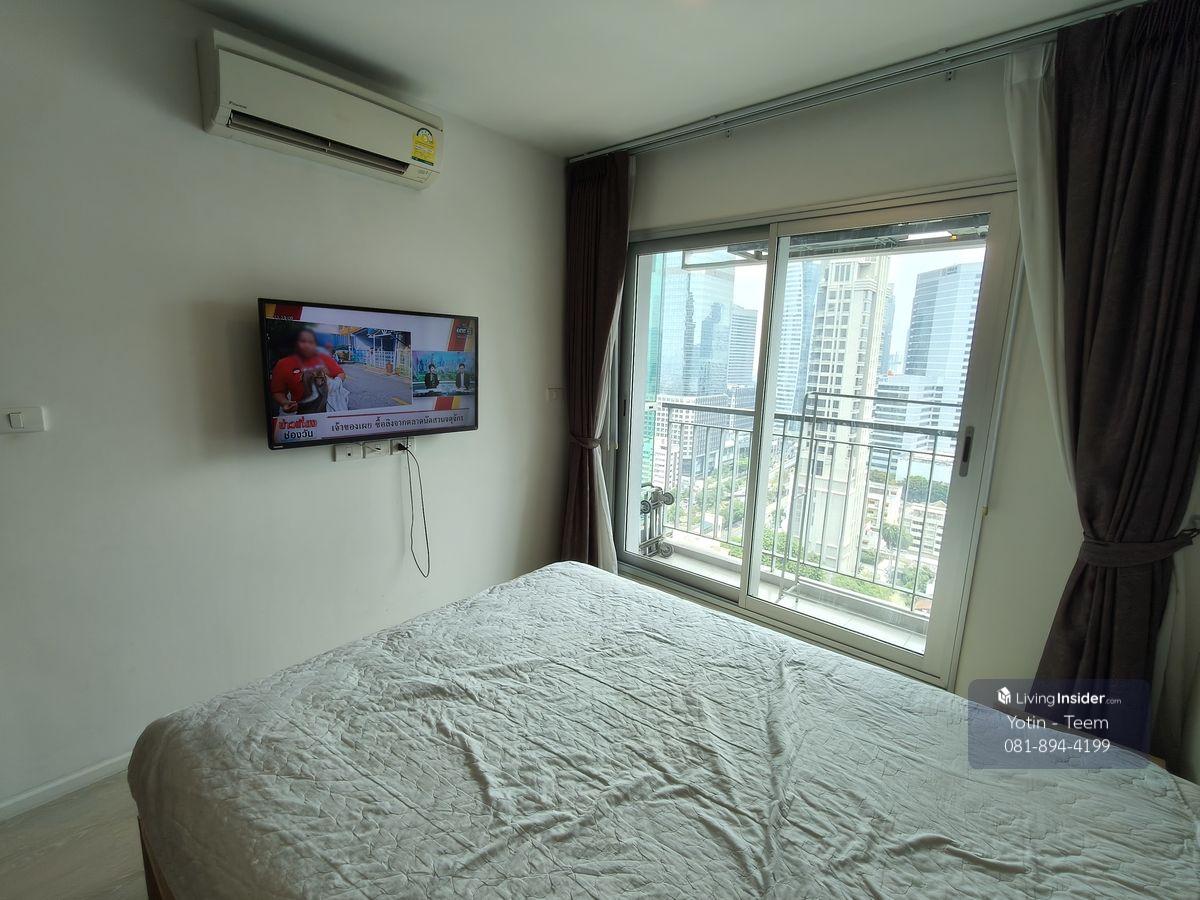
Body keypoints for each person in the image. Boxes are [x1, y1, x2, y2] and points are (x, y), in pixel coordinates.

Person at [269, 328, 346, 413]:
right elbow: (278, 392)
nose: (307, 345)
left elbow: (340, 373)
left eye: (311, 342)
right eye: (303, 341)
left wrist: (334, 384)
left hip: (327, 411)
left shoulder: (325, 358)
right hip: (303, 413)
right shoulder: (283, 364)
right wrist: (285, 403)